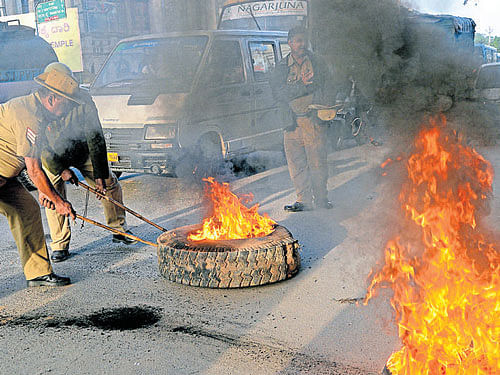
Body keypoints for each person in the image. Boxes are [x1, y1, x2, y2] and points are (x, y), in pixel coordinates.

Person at [40, 62, 137, 263]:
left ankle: (118, 228)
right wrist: (62, 169)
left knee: (109, 183)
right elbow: (39, 147)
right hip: (52, 156)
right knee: (52, 193)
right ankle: (60, 244)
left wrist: (100, 174)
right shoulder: (41, 103)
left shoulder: (83, 99)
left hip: (82, 150)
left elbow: (95, 137)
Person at [0, 67, 78, 287]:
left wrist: (46, 192)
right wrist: (57, 201)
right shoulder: (29, 115)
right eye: (67, 102)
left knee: (27, 209)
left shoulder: (38, 114)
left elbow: (31, 161)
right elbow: (34, 170)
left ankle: (38, 273)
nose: (70, 107)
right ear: (52, 98)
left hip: (7, 178)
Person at [270, 27, 337, 212]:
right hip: (291, 123)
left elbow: (330, 85)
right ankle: (303, 200)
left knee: (317, 162)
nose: (301, 44)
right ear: (289, 43)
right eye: (297, 41)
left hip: (313, 121)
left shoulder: (318, 63)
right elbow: (278, 93)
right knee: (296, 164)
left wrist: (327, 107)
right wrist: (303, 86)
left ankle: (321, 198)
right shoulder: (281, 68)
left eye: (303, 40)